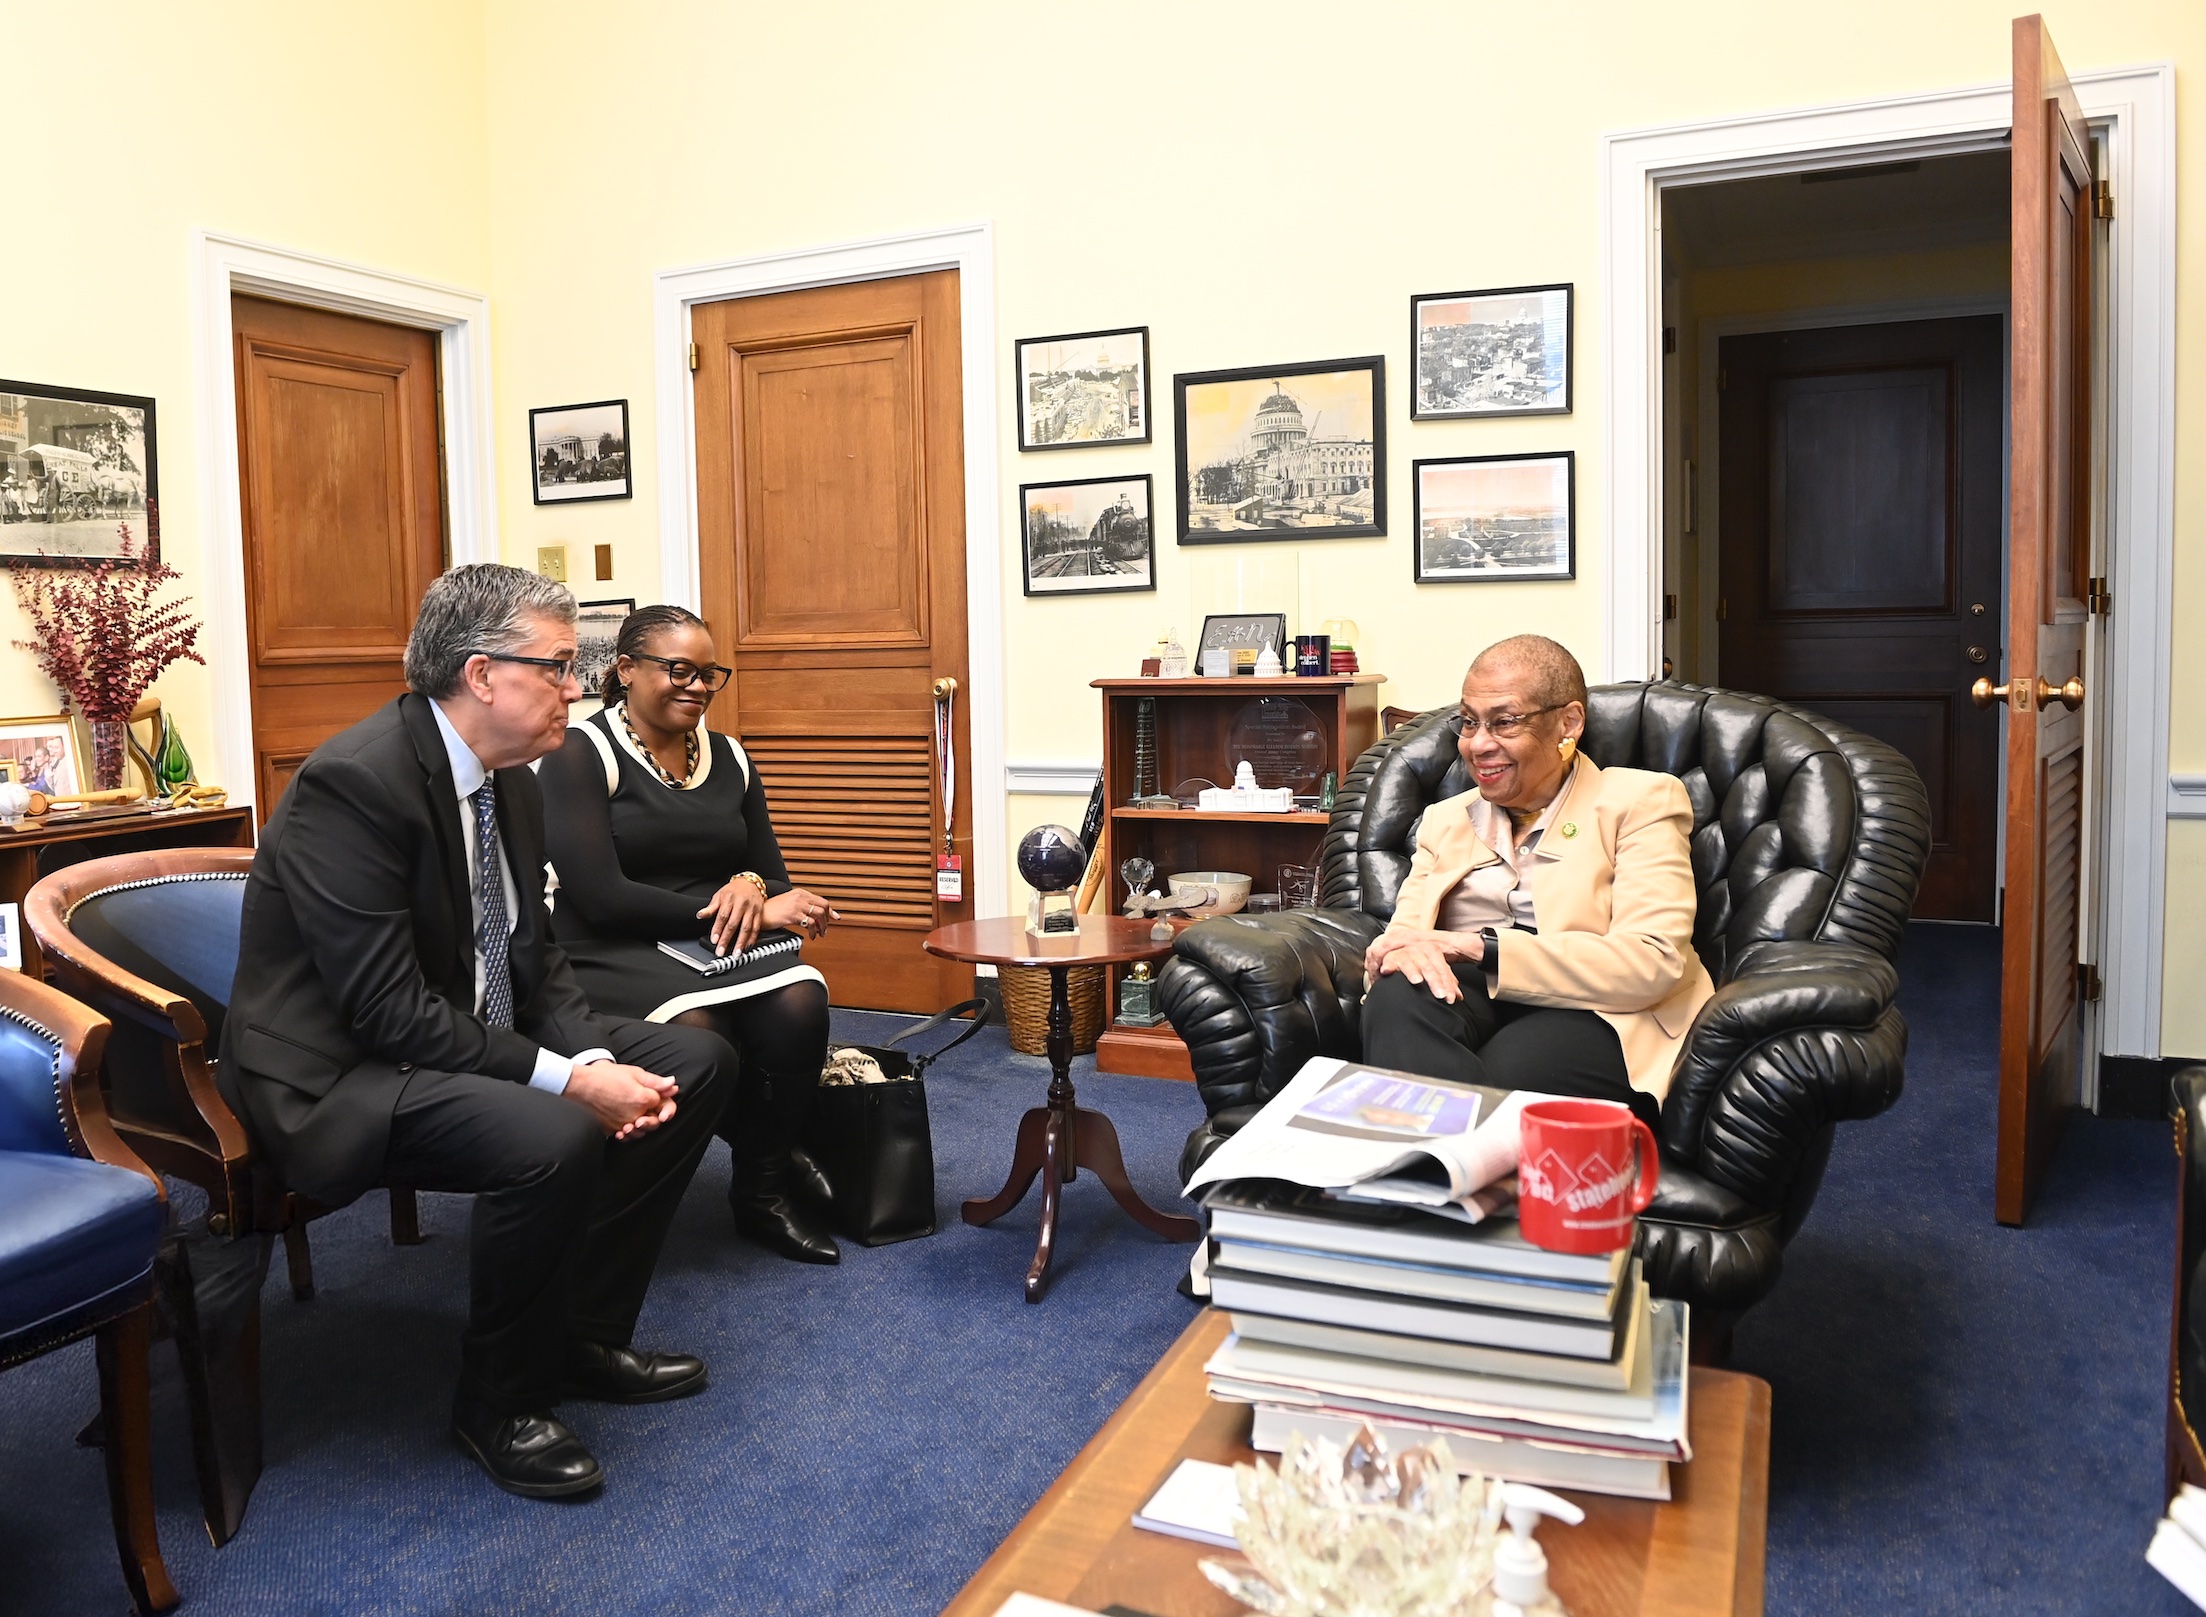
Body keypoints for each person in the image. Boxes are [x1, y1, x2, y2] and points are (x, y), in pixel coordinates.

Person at [218, 564, 732, 1500]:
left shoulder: (514, 782)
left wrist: (599, 1054)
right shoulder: (355, 783)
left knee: (693, 1060)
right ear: (483, 672)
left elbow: (533, 961)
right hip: (339, 1075)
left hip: (445, 1032)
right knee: (555, 1129)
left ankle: (582, 1334)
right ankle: (500, 1400)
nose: (579, 688)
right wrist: (573, 1083)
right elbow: (386, 1012)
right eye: (560, 666)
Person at [539, 605, 842, 1265]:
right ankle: (764, 1138)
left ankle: (760, 1188)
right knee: (699, 1029)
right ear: (625, 669)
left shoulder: (731, 757)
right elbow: (599, 895)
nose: (698, 686)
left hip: (708, 938)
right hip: (607, 944)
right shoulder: (578, 753)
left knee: (800, 1002)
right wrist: (738, 907)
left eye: (710, 674)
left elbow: (773, 876)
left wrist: (752, 888)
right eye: (680, 669)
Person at [1360, 634, 1713, 1127]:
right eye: (1469, 722)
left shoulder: (1639, 801)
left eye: (1504, 722)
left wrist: (1478, 947)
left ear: (1568, 723)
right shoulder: (1445, 819)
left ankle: (1422, 1172)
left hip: (1598, 1010)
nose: (1478, 744)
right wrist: (1399, 954)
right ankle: (1445, 1170)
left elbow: (1653, 962)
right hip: (1475, 999)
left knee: (1507, 1077)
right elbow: (1403, 941)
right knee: (1400, 991)